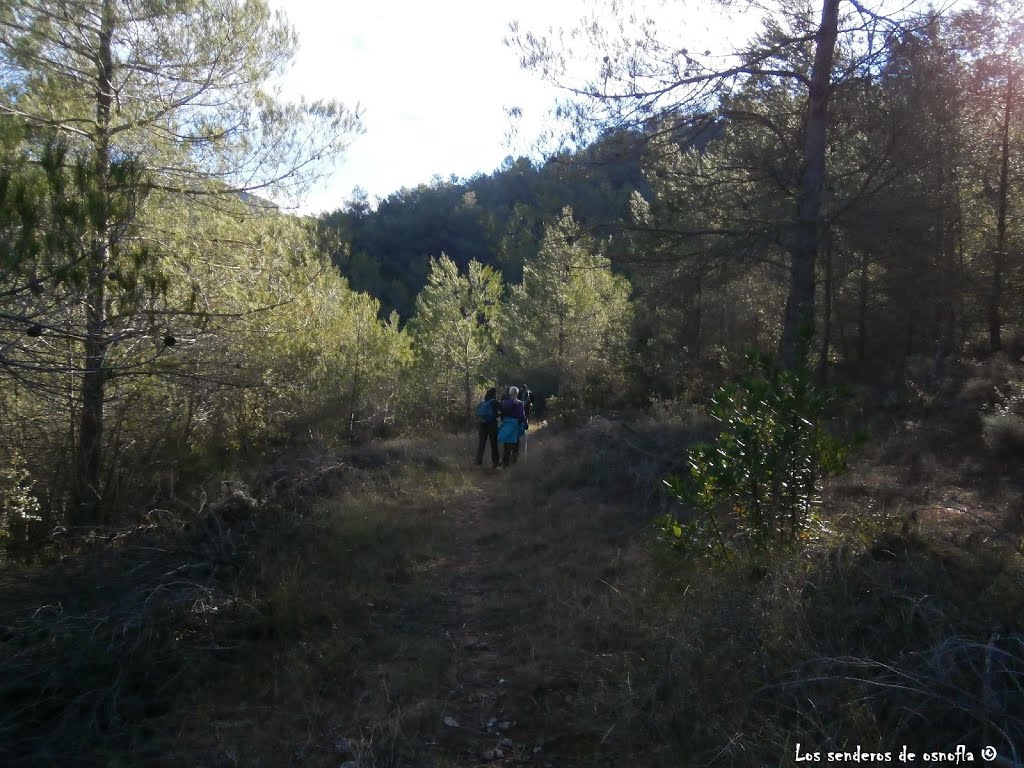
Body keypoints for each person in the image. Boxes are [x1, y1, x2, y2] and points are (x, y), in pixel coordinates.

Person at [497, 385, 527, 468]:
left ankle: (505, 464)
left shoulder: (505, 403)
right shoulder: (520, 403)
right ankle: (514, 464)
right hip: (515, 426)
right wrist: (525, 424)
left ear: (509, 393)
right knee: (515, 445)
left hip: (506, 425)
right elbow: (522, 416)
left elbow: (501, 414)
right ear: (517, 393)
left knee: (506, 445)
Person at [474, 387, 501, 469]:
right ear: (494, 394)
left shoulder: (482, 402)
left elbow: (476, 412)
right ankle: (495, 462)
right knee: (494, 444)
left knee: (481, 443)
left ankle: (478, 461)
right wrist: (498, 416)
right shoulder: (495, 402)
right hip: (491, 424)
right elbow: (501, 410)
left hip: (481, 424)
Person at [515, 384, 534, 461]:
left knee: (524, 417)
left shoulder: (522, 392)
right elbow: (532, 400)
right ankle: (525, 425)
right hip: (527, 408)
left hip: (524, 408)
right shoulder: (529, 392)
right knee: (526, 417)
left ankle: (524, 425)